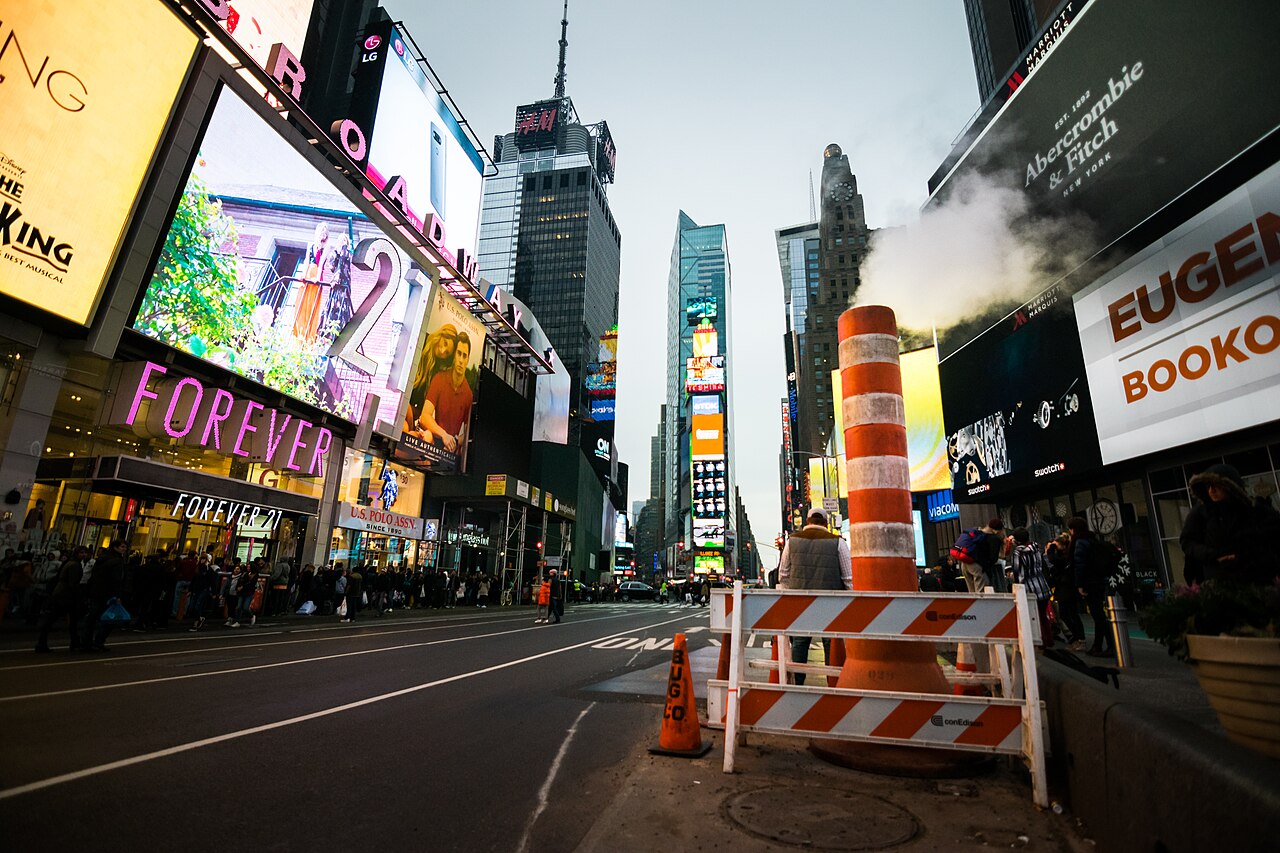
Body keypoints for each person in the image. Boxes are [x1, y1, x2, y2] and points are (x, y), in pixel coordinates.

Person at [778, 507, 852, 685]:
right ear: (826, 523)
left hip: (800, 603)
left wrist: (793, 593)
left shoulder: (792, 541)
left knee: (800, 643)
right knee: (831, 644)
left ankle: (798, 683)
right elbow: (849, 578)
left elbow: (783, 574)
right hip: (830, 605)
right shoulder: (838, 542)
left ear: (808, 521)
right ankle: (833, 684)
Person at [1180, 463, 1280, 586]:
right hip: (1218, 583)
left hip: (1257, 582)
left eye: (1215, 486)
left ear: (1229, 487)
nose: (1211, 491)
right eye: (1208, 486)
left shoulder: (1255, 510)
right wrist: (1213, 555)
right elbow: (1188, 541)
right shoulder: (1201, 512)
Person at [419, 332, 474, 453]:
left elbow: (468, 433)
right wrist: (444, 435)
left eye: (464, 356)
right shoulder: (439, 379)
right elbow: (425, 416)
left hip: (450, 450)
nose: (460, 360)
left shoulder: (468, 394)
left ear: (468, 359)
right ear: (454, 355)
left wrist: (454, 441)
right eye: (459, 354)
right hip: (433, 439)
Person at [1068, 516, 1112, 658]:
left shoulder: (1079, 542)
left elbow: (1080, 565)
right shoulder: (1092, 539)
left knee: (1098, 615)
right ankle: (1097, 645)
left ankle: (1112, 644)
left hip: (1089, 582)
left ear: (1073, 529)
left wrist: (1080, 584)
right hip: (1099, 580)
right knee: (1098, 613)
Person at [405, 323, 458, 434]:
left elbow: (420, 408)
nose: (442, 351)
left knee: (405, 429)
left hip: (408, 417)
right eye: (444, 343)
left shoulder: (436, 371)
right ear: (441, 335)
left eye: (447, 353)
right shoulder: (421, 341)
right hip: (395, 401)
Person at [34, 546, 89, 653]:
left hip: (61, 594)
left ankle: (74, 642)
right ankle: (74, 643)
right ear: (77, 553)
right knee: (68, 620)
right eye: (81, 553)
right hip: (66, 596)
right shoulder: (75, 565)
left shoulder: (70, 563)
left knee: (59, 619)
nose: (83, 555)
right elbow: (73, 583)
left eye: (85, 553)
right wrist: (78, 596)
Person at [1009, 528, 1054, 648]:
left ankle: (1040, 640)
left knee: (1035, 615)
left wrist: (1017, 584)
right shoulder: (1036, 548)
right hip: (1042, 584)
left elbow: (1018, 572)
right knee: (1043, 615)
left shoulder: (1019, 553)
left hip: (1030, 587)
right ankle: (1049, 639)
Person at [82, 540, 126, 653]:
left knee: (92, 618)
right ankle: (98, 641)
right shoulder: (117, 561)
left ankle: (86, 642)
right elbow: (116, 580)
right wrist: (117, 595)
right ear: (115, 547)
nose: (124, 549)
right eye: (122, 546)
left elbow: (94, 576)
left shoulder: (101, 559)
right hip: (108, 594)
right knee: (110, 618)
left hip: (96, 591)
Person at [1046, 533, 1085, 651]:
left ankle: (1080, 639)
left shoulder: (1066, 557)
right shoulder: (1064, 557)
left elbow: (1053, 560)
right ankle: (1077, 638)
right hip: (1064, 588)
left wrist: (1051, 549)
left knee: (1071, 614)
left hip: (1067, 589)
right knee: (1066, 614)